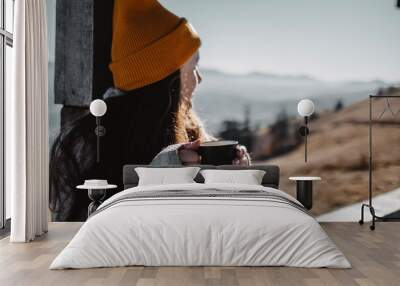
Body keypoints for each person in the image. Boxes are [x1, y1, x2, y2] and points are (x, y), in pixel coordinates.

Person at [50, 0, 250, 222]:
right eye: (194, 68)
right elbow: (80, 226)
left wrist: (235, 176)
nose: (199, 78)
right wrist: (165, 172)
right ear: (167, 82)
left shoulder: (193, 136)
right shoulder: (85, 144)